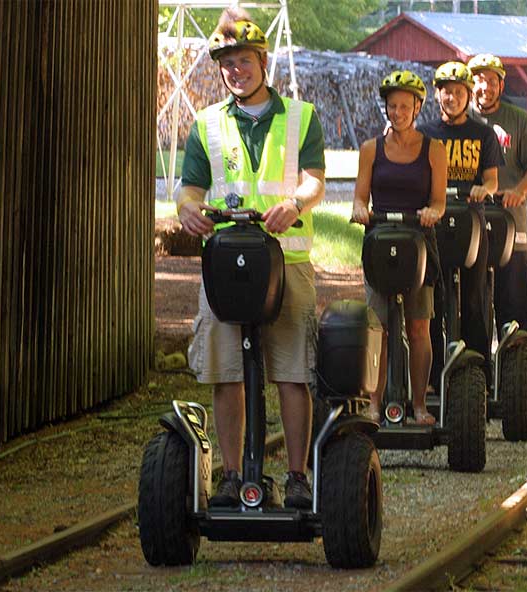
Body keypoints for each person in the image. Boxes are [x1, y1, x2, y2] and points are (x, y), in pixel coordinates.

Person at [176, 7, 325, 510]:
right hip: (225, 264)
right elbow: (189, 190)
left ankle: (299, 476)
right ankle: (232, 474)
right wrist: (189, 212)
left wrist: (296, 203)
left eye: (243, 61)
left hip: (287, 261)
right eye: (227, 64)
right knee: (226, 372)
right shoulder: (206, 124)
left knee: (292, 370)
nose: (235, 71)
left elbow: (313, 179)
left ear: (263, 62)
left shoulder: (301, 117)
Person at [351, 70, 447, 425]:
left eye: (405, 106)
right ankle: (375, 403)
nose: (398, 112)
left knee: (418, 326)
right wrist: (361, 210)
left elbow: (438, 202)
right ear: (386, 108)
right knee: (378, 326)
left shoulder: (433, 150)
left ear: (417, 107)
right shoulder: (371, 149)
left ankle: (419, 404)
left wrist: (431, 213)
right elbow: (360, 198)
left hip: (418, 243)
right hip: (380, 241)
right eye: (393, 106)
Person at [418, 61, 504, 388]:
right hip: (434, 221)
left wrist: (485, 189)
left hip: (471, 219)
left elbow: (493, 180)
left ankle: (479, 372)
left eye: (458, 92)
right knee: (434, 298)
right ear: (437, 95)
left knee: (476, 297)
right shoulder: (425, 134)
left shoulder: (482, 133)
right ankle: (436, 374)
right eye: (446, 92)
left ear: (467, 95)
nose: (451, 98)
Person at [467, 53, 527, 333]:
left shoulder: (520, 121)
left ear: (501, 86)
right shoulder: (458, 121)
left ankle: (516, 362)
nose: (485, 87)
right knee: (468, 306)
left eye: (491, 81)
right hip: (467, 222)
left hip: (510, 219)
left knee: (514, 308)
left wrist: (519, 190)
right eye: (479, 80)